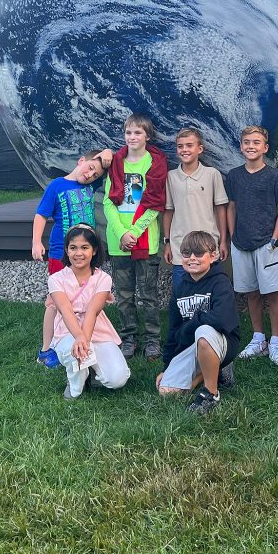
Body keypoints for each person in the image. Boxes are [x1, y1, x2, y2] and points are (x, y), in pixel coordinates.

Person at [32, 147, 112, 368]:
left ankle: (78, 337)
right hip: (61, 254)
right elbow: (41, 214)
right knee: (55, 302)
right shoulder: (57, 185)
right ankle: (46, 350)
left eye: (95, 175)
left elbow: (110, 162)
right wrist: (36, 242)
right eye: (90, 168)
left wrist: (108, 151)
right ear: (81, 161)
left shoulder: (89, 185)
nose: (90, 175)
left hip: (85, 256)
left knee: (82, 299)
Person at [104, 113, 167, 362]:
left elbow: (154, 204)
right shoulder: (117, 163)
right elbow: (109, 203)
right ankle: (128, 337)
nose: (132, 137)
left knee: (149, 294)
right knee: (124, 294)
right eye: (128, 132)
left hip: (145, 240)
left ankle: (153, 339)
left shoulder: (155, 163)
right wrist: (122, 232)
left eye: (138, 132)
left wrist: (135, 231)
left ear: (147, 136)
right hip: (119, 242)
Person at [156, 230, 241, 416]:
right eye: (187, 254)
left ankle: (211, 393)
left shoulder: (221, 282)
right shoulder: (180, 288)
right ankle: (213, 372)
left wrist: (192, 324)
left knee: (204, 331)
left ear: (212, 256)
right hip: (193, 344)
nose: (192, 258)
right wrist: (167, 367)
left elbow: (220, 319)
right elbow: (173, 331)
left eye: (198, 254)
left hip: (221, 341)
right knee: (166, 391)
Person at [226, 125, 278, 365]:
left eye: (256, 142)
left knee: (273, 293)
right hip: (241, 243)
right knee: (251, 293)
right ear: (241, 146)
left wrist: (274, 238)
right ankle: (258, 338)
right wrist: (232, 234)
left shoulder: (273, 176)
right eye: (246, 142)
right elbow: (231, 206)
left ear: (265, 147)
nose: (251, 146)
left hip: (267, 243)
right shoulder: (233, 176)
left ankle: (275, 341)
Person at [48, 224, 130, 400]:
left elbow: (93, 310)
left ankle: (91, 373)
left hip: (97, 329)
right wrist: (79, 338)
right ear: (66, 250)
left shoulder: (103, 278)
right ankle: (76, 383)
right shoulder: (55, 279)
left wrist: (83, 339)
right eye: (73, 248)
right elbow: (65, 310)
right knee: (77, 352)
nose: (78, 253)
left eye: (85, 247)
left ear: (93, 251)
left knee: (117, 379)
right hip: (69, 330)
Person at [164, 126, 229, 294]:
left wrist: (222, 241)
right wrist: (167, 243)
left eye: (189, 145)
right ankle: (185, 322)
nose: (184, 149)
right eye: (180, 146)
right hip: (180, 247)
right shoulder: (170, 177)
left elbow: (221, 209)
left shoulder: (212, 174)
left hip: (208, 245)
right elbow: (168, 211)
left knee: (210, 294)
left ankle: (208, 322)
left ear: (200, 149)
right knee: (182, 295)